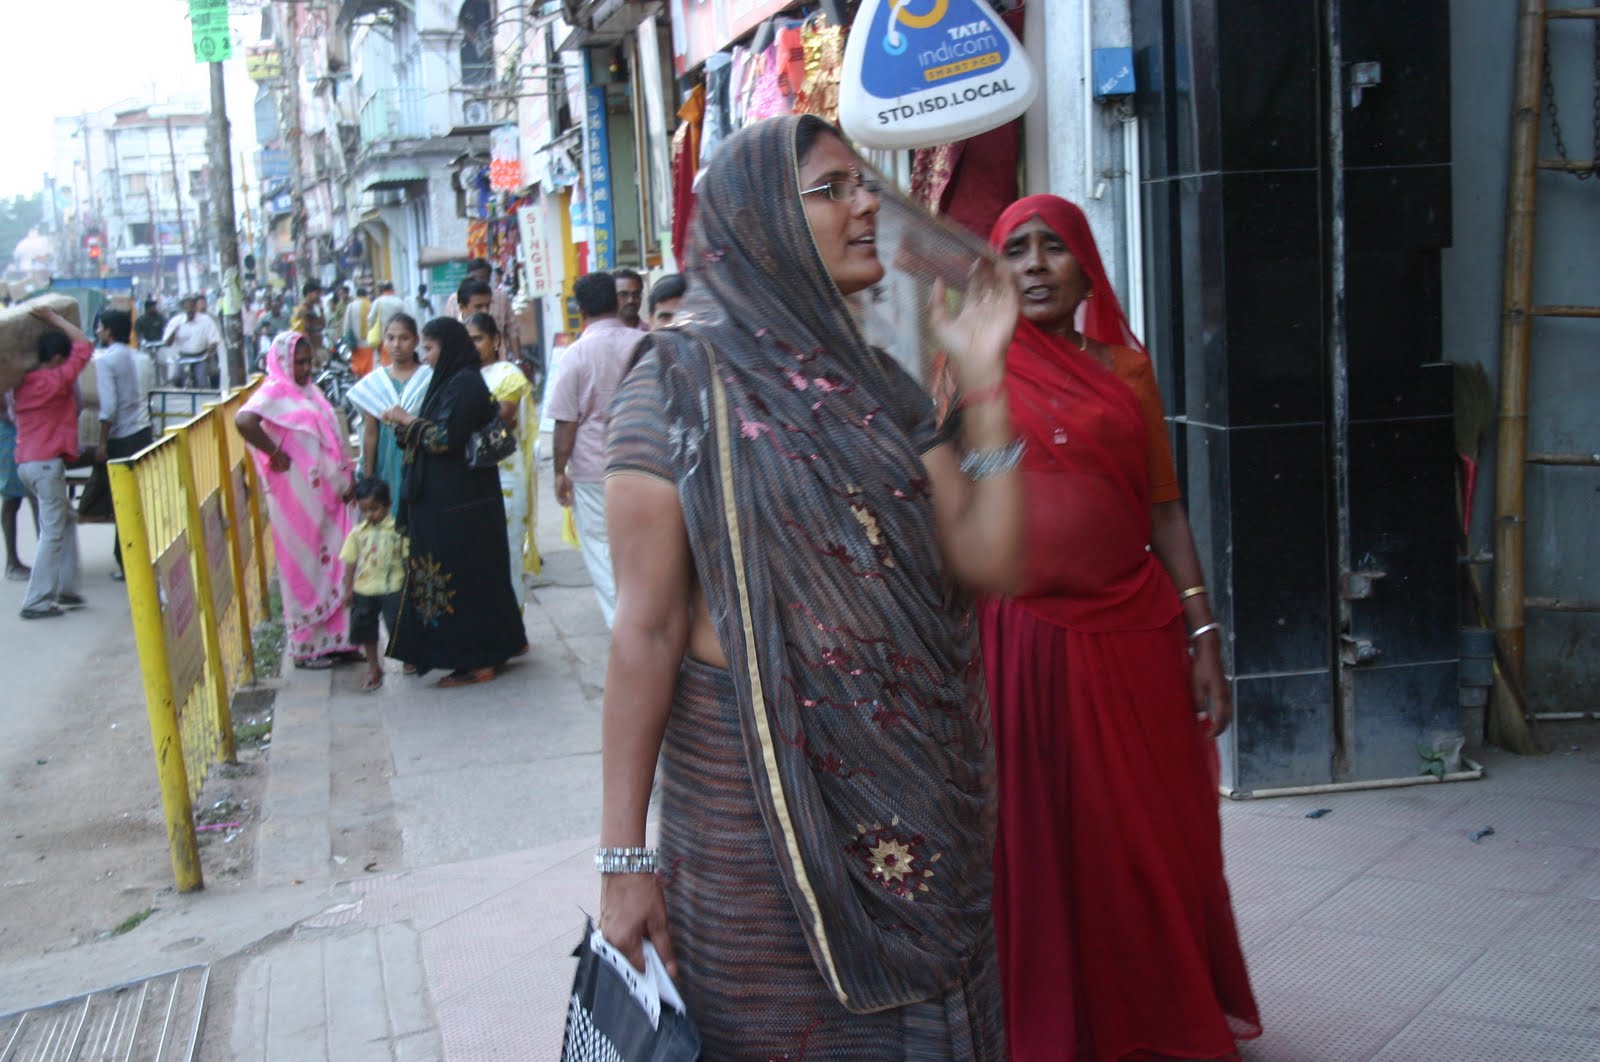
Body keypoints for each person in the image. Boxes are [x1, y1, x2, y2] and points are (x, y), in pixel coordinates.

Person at [596, 115, 1023, 1057]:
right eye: (833, 190)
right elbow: (647, 631)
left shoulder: (884, 387)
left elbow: (987, 560)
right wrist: (625, 862)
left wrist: (986, 382)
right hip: (762, 834)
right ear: (761, 227)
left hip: (920, 819)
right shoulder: (675, 383)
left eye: (863, 184)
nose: (868, 203)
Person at [981, 194, 1261, 1060]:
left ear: (1086, 269)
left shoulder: (1125, 371)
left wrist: (1204, 636)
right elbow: (965, 506)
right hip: (1019, 639)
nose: (1034, 265)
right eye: (1016, 250)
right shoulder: (973, 372)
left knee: (1143, 833)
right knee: (1036, 844)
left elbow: (1165, 512)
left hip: (1134, 633)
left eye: (1054, 249)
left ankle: (1152, 1012)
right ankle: (1052, 1020)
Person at [382, 317, 526, 687]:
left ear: (447, 347)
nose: (424, 356)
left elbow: (447, 439)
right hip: (449, 501)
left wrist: (407, 420)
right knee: (468, 574)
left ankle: (478, 661)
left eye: (429, 348)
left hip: (462, 505)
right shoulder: (447, 383)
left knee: (467, 577)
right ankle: (493, 649)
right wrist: (405, 428)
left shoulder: (465, 385)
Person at [234, 331, 360, 669]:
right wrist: (273, 452)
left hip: (327, 498)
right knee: (304, 567)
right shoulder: (274, 392)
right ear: (282, 361)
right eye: (298, 362)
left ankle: (340, 640)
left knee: (336, 562)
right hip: (295, 499)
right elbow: (243, 420)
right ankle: (307, 647)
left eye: (308, 361)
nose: (305, 368)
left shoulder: (311, 392)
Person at [545, 271, 634, 629]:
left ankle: (625, 631)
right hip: (647, 464)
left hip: (594, 470)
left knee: (601, 551)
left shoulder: (576, 355)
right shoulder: (645, 344)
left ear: (580, 310)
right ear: (617, 301)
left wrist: (558, 472)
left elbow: (565, 422)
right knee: (642, 550)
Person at [13, 306, 95, 619]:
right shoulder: (55, 380)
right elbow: (84, 346)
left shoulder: (20, 385)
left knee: (65, 519)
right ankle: (37, 601)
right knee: (52, 532)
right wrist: (53, 319)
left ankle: (67, 588)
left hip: (26, 464)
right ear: (58, 358)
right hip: (46, 464)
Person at [92, 310, 155, 579]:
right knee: (141, 499)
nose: (97, 332)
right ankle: (143, 556)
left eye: (100, 328)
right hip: (144, 432)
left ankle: (125, 560)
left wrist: (102, 443)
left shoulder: (105, 361)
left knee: (122, 502)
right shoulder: (142, 358)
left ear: (108, 331)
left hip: (121, 437)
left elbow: (108, 408)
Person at [349, 313, 431, 506]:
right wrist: (368, 477)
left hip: (422, 459)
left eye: (404, 338)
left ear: (416, 341)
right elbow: (370, 433)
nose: (396, 344)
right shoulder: (376, 383)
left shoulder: (429, 378)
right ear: (384, 341)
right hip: (386, 462)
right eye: (391, 338)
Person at [340, 476, 407, 692]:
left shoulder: (397, 530)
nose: (370, 515)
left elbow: (406, 560)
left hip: (392, 587)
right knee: (365, 629)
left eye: (375, 509)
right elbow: (350, 561)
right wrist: (348, 589)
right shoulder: (357, 533)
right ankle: (374, 666)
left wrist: (410, 585)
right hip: (364, 589)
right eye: (365, 510)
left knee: (397, 625)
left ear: (388, 505)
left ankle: (408, 657)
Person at [1, 390, 39, 581]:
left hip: (26, 428)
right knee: (13, 498)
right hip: (9, 430)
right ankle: (12, 563)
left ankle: (45, 560)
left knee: (37, 496)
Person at [443, 258, 519, 352]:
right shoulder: (454, 300)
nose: (485, 311)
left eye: (483, 278)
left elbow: (512, 330)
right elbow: (448, 334)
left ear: (488, 278)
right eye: (474, 277)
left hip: (498, 355)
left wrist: (518, 360)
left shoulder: (501, 298)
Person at [160, 295, 222, 388]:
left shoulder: (206, 320)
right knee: (176, 378)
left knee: (201, 381)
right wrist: (174, 331)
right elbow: (167, 343)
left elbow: (214, 339)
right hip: (183, 357)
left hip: (201, 356)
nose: (190, 311)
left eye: (192, 307)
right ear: (182, 309)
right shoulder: (176, 321)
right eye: (187, 308)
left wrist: (209, 353)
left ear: (195, 307)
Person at [344, 285, 375, 377]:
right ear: (366, 295)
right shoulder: (371, 305)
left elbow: (346, 325)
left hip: (356, 343)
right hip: (370, 342)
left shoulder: (351, 306)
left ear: (356, 295)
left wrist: (346, 338)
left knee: (358, 364)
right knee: (369, 366)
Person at [291, 281, 327, 358]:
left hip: (319, 347)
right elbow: (305, 332)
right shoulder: (303, 309)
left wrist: (321, 310)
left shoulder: (315, 308)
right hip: (311, 351)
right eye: (317, 293)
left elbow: (323, 324)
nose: (319, 296)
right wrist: (312, 352)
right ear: (309, 294)